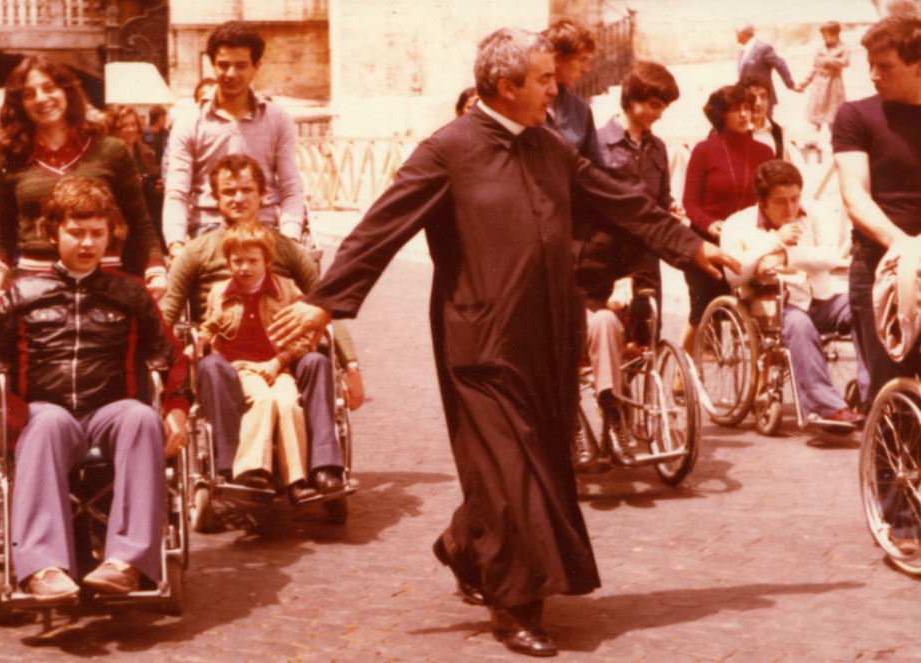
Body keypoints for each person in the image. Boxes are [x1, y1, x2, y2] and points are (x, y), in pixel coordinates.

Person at [267, 27, 740, 657]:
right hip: (479, 342)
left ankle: (465, 545)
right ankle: (516, 608)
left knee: (537, 461)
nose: (557, 88)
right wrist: (326, 302)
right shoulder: (447, 150)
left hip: (548, 334)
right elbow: (380, 227)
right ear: (505, 85)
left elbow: (621, 204)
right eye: (544, 79)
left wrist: (695, 247)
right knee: (512, 471)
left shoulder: (549, 148)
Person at [0, 177, 189, 600]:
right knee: (46, 421)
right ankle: (43, 568)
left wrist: (176, 407)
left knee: (142, 416)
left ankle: (125, 563)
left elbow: (173, 357)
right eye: (76, 232)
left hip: (111, 412)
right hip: (47, 412)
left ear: (110, 234)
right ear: (53, 233)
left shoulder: (131, 292)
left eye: (98, 233)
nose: (88, 243)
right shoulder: (23, 293)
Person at [162, 154, 358, 495]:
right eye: (228, 191)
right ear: (215, 198)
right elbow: (166, 316)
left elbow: (327, 304)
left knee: (315, 360)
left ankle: (324, 467)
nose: (238, 198)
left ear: (264, 194)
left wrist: (352, 364)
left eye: (247, 190)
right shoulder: (196, 252)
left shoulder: (285, 249)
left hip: (284, 353)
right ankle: (232, 471)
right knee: (210, 366)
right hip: (224, 357)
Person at [0, 56, 167, 373]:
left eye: (49, 87)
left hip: (105, 279)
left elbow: (141, 224)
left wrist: (156, 271)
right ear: (18, 103)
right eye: (29, 93)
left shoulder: (111, 150)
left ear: (67, 91)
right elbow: (2, 237)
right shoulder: (8, 157)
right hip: (36, 284)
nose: (41, 99)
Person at [581, 61, 680, 468]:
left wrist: (673, 213)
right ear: (631, 100)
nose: (658, 114)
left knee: (642, 340)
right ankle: (611, 418)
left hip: (643, 263)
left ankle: (616, 421)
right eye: (654, 104)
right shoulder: (596, 143)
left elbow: (659, 202)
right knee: (605, 326)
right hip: (600, 260)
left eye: (663, 107)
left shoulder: (657, 148)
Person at [720, 160, 864, 427]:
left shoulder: (814, 212)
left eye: (795, 198)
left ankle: (872, 394)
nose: (790, 208)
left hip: (821, 300)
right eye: (780, 201)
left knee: (863, 309)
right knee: (798, 324)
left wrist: (786, 255)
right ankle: (826, 408)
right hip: (772, 309)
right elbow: (733, 274)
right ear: (761, 201)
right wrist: (774, 241)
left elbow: (830, 256)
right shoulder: (737, 224)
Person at [833, 14, 921, 410]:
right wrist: (903, 245)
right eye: (869, 63)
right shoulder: (856, 116)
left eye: (885, 66)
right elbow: (855, 197)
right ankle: (888, 474)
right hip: (880, 266)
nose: (872, 75)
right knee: (891, 396)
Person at [199, 222, 321, 502]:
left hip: (278, 366)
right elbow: (212, 325)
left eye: (252, 261)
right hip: (241, 366)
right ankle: (253, 471)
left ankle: (296, 481)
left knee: (289, 404)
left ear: (267, 261)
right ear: (228, 261)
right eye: (237, 261)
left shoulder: (287, 288)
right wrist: (201, 338)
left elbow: (301, 337)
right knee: (264, 400)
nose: (244, 267)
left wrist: (278, 363)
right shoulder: (220, 291)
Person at [164, 21, 305, 255]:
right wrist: (176, 243)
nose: (231, 74)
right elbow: (177, 192)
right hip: (206, 231)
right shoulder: (188, 121)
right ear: (212, 65)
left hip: (264, 229)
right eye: (223, 65)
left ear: (256, 66)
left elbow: (291, 189)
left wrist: (291, 239)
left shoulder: (279, 119)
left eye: (241, 66)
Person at [680, 84, 775, 357]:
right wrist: (709, 223)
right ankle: (681, 372)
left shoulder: (764, 152)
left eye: (748, 108)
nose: (745, 114)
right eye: (736, 109)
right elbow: (690, 202)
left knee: (762, 314)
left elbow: (772, 197)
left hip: (749, 243)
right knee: (702, 311)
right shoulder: (703, 150)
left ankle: (759, 388)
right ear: (721, 114)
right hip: (708, 243)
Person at [541, 17, 604, 167]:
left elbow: (595, 171)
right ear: (557, 58)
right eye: (581, 60)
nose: (586, 69)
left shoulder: (580, 109)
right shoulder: (523, 103)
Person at [107, 105, 163, 249]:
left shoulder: (147, 152)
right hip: (118, 220)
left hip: (144, 218)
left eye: (133, 124)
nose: (131, 129)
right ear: (114, 129)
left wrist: (157, 188)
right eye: (125, 125)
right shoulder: (107, 156)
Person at [737, 21, 799, 119]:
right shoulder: (743, 51)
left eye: (736, 32)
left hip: (762, 98)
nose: (735, 35)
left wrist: (790, 84)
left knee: (764, 128)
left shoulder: (762, 48)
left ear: (743, 33)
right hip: (747, 98)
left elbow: (780, 64)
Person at [797, 22, 852, 132]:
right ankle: (811, 144)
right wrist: (804, 83)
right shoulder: (821, 49)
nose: (823, 38)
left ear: (835, 34)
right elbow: (814, 68)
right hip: (819, 86)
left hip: (834, 86)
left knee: (834, 117)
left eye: (825, 35)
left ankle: (838, 144)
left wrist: (829, 60)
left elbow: (845, 62)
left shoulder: (844, 48)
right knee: (814, 117)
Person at [739, 74, 790, 161]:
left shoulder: (776, 131)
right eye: (752, 97)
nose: (758, 103)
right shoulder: (735, 131)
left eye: (763, 97)